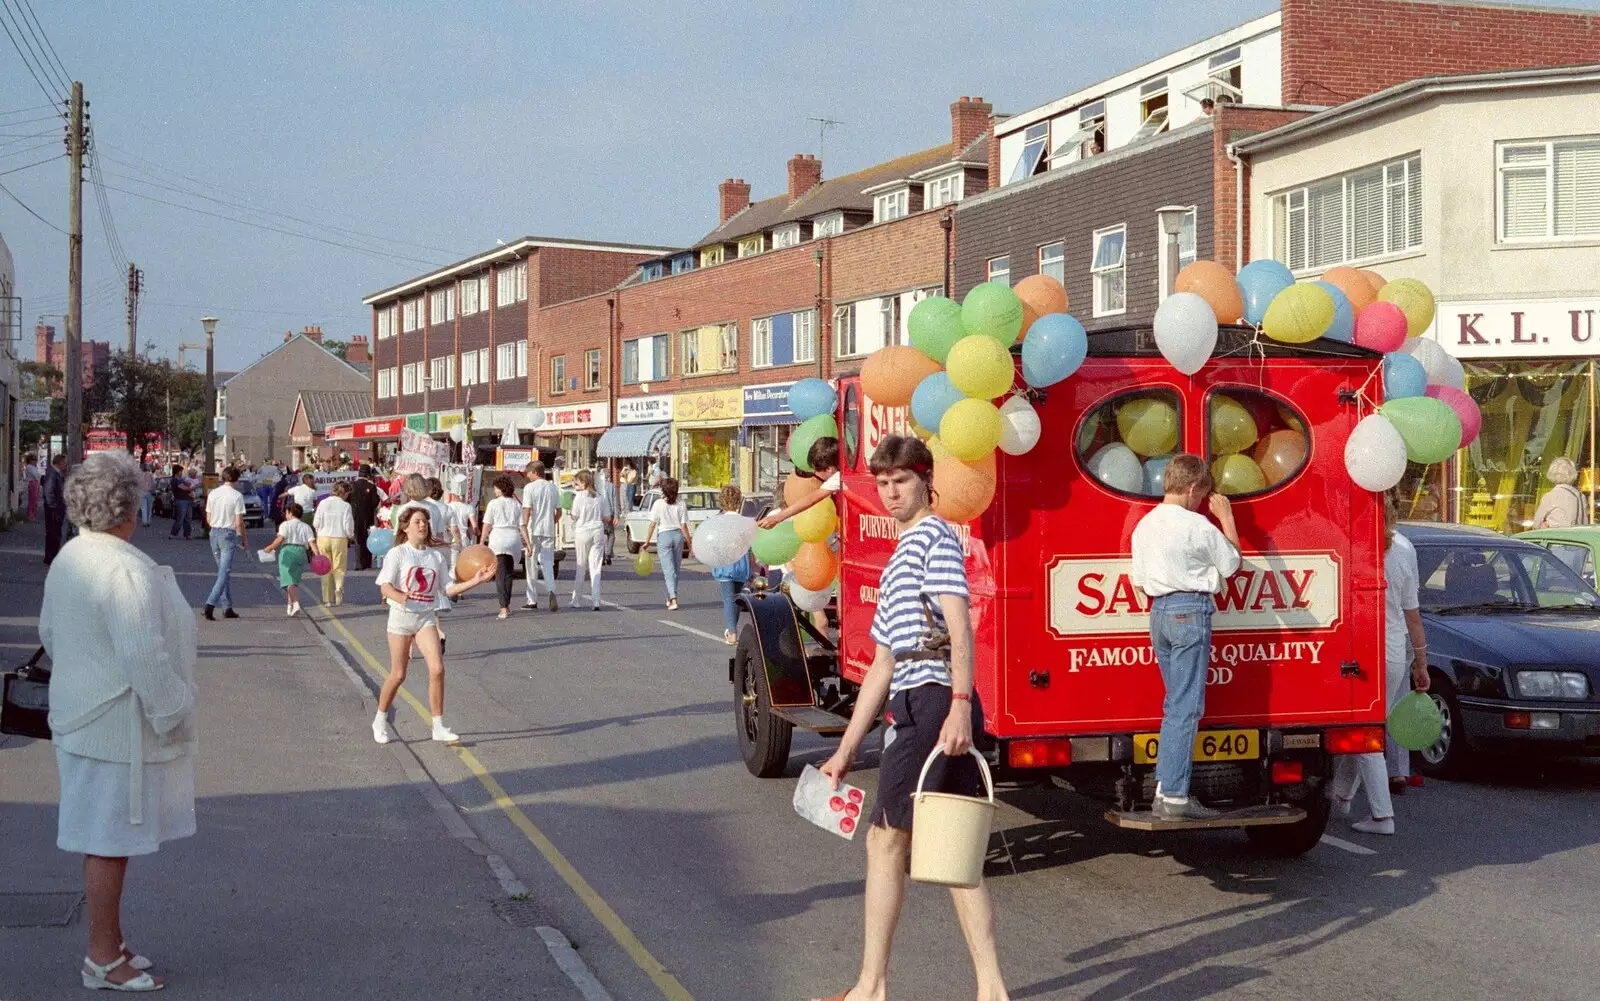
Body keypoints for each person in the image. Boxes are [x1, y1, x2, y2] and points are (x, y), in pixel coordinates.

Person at [816, 435, 1008, 1001]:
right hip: (915, 696)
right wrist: (846, 750)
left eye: (901, 480)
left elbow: (960, 625)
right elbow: (880, 665)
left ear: (926, 480)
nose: (891, 491)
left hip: (930, 701)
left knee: (885, 843)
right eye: (882, 482)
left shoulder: (935, 539)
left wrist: (959, 704)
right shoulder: (902, 552)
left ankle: (871, 989)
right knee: (950, 851)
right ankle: (992, 991)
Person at [41, 451, 196, 992]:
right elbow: (145, 658)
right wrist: (175, 710)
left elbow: (50, 636)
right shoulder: (125, 567)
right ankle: (102, 958)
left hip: (81, 717)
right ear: (129, 507)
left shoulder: (72, 554)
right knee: (108, 841)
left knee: (108, 840)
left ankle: (112, 942)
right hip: (114, 727)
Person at [1129, 453, 1240, 820]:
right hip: (1190, 610)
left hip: (1158, 613)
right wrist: (1226, 519)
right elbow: (1232, 564)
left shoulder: (1144, 526)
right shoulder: (1198, 526)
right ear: (1192, 488)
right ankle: (1175, 796)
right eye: (1201, 496)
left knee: (1174, 705)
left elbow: (1140, 581)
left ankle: (1165, 787)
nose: (1201, 503)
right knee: (1186, 707)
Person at [1332, 493, 1429, 834]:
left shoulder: (1353, 547)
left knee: (1362, 732)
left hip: (1362, 652)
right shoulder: (1404, 549)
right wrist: (1422, 663)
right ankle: (1342, 796)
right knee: (1362, 724)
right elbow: (1413, 616)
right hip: (1393, 651)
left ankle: (1382, 815)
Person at [373, 506, 495, 745]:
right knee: (398, 674)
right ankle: (380, 718)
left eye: (425, 522)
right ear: (405, 527)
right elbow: (385, 586)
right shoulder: (397, 554)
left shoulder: (435, 557)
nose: (422, 526)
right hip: (400, 618)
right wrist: (400, 597)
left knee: (437, 668)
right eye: (417, 521)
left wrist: (474, 580)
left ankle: (438, 726)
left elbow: (447, 590)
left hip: (425, 618)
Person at [758, 438, 840, 529]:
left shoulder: (837, 478)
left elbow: (811, 499)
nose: (816, 475)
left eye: (817, 471)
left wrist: (777, 518)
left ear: (829, 469)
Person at [202, 467, 249, 622]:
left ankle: (227, 607)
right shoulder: (237, 496)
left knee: (222, 572)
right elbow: (239, 522)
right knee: (224, 573)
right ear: (236, 479)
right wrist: (243, 538)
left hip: (214, 533)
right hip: (228, 534)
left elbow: (208, 517)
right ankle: (209, 604)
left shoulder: (213, 493)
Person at [710, 485, 753, 645]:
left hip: (725, 562)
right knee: (735, 598)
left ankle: (732, 632)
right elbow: (750, 544)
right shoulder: (745, 521)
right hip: (741, 563)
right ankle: (731, 629)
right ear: (738, 500)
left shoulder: (717, 521)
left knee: (728, 598)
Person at [480, 476, 524, 619]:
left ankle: (503, 607)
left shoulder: (493, 503)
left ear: (500, 489)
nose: (494, 490)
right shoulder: (516, 504)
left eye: (496, 488)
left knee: (500, 574)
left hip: (498, 538)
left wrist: (481, 542)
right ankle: (507, 604)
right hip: (513, 538)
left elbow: (487, 524)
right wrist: (528, 544)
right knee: (509, 574)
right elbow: (522, 525)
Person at [568, 470, 612, 611]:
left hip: (582, 531)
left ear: (584, 482)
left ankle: (576, 600)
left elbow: (574, 516)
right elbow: (607, 517)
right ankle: (596, 600)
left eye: (577, 482)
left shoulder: (579, 497)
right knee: (596, 567)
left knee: (581, 566)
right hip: (597, 531)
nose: (576, 485)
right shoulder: (600, 496)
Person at [644, 476, 689, 611]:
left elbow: (652, 524)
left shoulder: (658, 504)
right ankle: (671, 596)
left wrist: (647, 541)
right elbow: (684, 526)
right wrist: (690, 543)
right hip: (677, 536)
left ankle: (673, 599)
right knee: (675, 570)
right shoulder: (681, 504)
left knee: (668, 571)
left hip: (664, 536)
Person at [520, 461, 561, 611]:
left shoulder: (529, 488)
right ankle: (551, 590)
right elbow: (559, 512)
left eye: (528, 473)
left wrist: (523, 526)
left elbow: (527, 510)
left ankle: (532, 599)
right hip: (548, 529)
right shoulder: (552, 487)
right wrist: (552, 521)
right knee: (548, 562)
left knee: (531, 564)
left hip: (533, 529)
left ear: (535, 472)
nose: (527, 475)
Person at [262, 501, 314, 616]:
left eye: (286, 512)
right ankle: (289, 605)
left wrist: (269, 548)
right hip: (301, 553)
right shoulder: (306, 526)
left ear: (290, 513)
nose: (285, 515)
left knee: (287, 581)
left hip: (288, 552)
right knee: (293, 581)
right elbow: (312, 543)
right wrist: (318, 556)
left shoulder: (285, 525)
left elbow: (280, 539)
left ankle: (295, 603)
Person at [313, 481, 355, 606]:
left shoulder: (323, 503)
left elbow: (316, 522)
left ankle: (327, 599)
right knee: (339, 566)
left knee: (325, 568)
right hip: (339, 537)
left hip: (323, 537)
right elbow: (348, 525)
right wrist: (350, 535)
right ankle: (338, 588)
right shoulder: (346, 506)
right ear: (345, 493)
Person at [1534, 457, 1586, 528]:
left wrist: (1547, 523)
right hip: (1577, 536)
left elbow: (1537, 522)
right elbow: (1584, 522)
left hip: (1555, 536)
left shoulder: (1549, 496)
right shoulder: (1581, 496)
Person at [444, 476, 477, 578]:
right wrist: (473, 535)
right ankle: (460, 591)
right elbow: (474, 526)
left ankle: (453, 590)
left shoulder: (448, 506)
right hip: (465, 539)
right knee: (462, 566)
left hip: (451, 538)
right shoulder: (469, 507)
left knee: (452, 566)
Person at [349, 465, 380, 570]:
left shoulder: (351, 485)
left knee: (358, 539)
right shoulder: (371, 486)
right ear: (368, 475)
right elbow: (375, 502)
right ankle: (367, 563)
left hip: (354, 515)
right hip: (368, 516)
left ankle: (358, 563)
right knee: (367, 539)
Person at [42, 453, 68, 564]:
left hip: (56, 508)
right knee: (54, 533)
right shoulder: (53, 474)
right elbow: (48, 491)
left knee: (55, 533)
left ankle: (51, 556)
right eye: (65, 462)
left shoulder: (56, 474)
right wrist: (53, 506)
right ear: (60, 462)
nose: (66, 465)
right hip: (53, 509)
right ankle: (51, 557)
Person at [137, 463, 155, 528]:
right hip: (149, 492)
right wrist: (153, 490)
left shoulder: (139, 475)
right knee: (149, 508)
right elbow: (154, 483)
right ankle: (148, 522)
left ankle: (144, 522)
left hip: (142, 492)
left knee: (143, 508)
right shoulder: (150, 474)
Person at [24, 452, 40, 521]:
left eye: (35, 460)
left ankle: (32, 514)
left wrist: (38, 477)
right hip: (32, 483)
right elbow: (36, 475)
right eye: (33, 460)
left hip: (36, 483)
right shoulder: (29, 467)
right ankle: (30, 515)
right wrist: (38, 477)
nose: (34, 461)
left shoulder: (33, 467)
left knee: (35, 500)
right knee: (32, 500)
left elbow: (38, 475)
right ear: (29, 460)